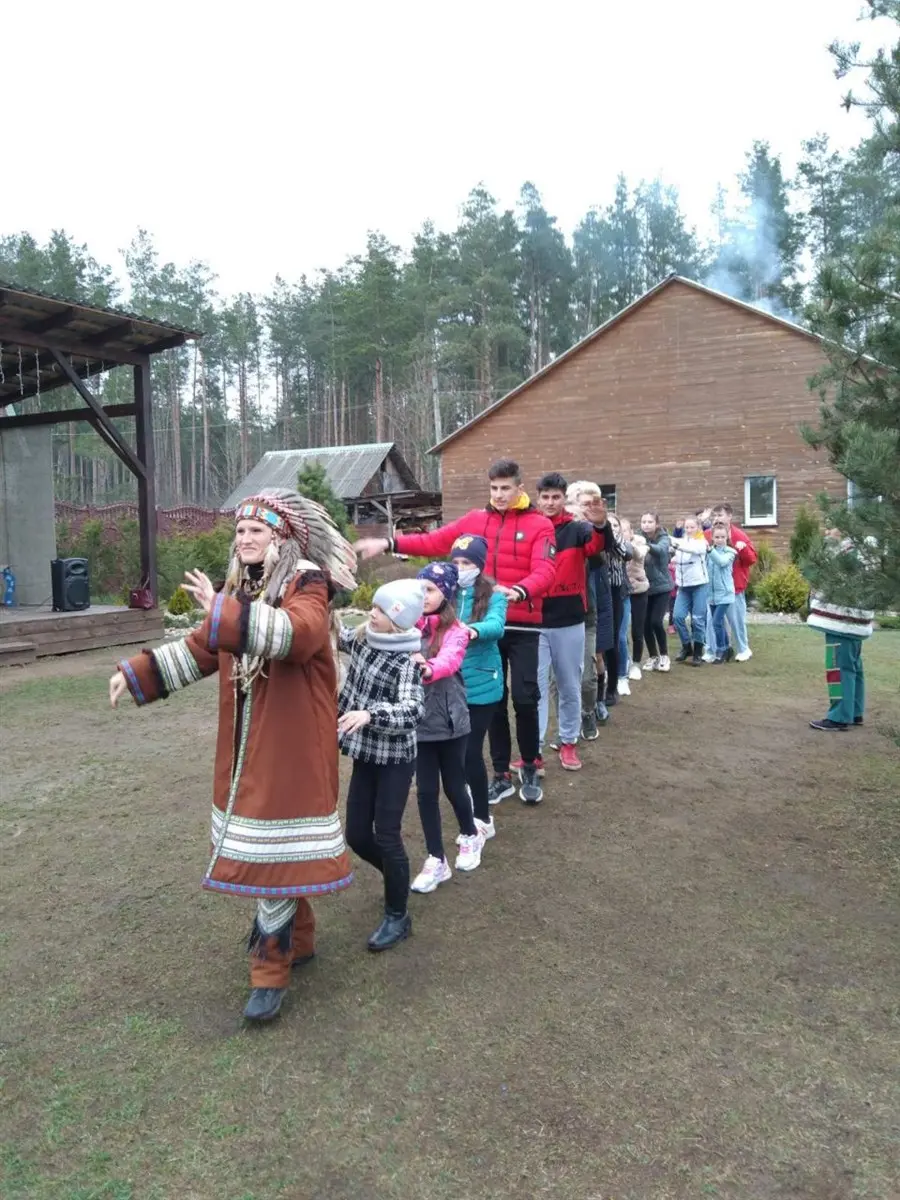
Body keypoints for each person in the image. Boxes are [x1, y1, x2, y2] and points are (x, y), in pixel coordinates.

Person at [109, 488, 359, 1023]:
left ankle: (270, 970)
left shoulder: (307, 581)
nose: (245, 538)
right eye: (240, 531)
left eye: (257, 531)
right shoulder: (243, 586)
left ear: (281, 538)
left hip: (293, 740)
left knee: (272, 849)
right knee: (274, 844)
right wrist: (139, 674)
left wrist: (225, 611)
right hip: (250, 741)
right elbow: (205, 646)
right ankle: (303, 937)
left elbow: (301, 633)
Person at [355, 458, 556, 806]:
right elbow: (434, 541)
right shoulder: (476, 521)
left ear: (519, 488)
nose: (499, 495)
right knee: (489, 702)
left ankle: (530, 764)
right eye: (494, 488)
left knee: (524, 697)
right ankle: (500, 774)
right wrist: (388, 544)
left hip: (520, 622)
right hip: (473, 624)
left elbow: (545, 569)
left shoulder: (539, 525)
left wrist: (519, 591)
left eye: (506, 488)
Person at [338, 579, 426, 951]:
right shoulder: (363, 639)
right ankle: (397, 878)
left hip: (395, 761)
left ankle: (397, 915)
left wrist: (370, 713)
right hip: (366, 754)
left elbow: (412, 710)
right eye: (372, 606)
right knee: (357, 835)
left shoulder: (406, 662)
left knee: (386, 834)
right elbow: (330, 634)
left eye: (379, 610)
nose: (371, 613)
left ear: (399, 620)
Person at [409, 562, 484, 893]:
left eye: (431, 589)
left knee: (454, 784)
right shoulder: (408, 625)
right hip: (419, 722)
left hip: (452, 721)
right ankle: (436, 859)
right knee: (425, 792)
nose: (423, 596)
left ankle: (470, 834)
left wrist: (427, 668)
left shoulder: (457, 630)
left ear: (446, 594)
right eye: (420, 589)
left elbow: (450, 660)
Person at [533, 472, 608, 771]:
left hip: (569, 621)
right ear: (538, 499)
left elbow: (598, 548)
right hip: (534, 621)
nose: (550, 502)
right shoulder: (529, 528)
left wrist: (600, 524)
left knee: (569, 686)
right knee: (534, 690)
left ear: (564, 499)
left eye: (556, 497)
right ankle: (533, 749)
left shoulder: (577, 530)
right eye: (546, 497)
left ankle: (568, 743)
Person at [449, 535, 507, 836]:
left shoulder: (493, 595)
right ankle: (470, 793)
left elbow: (497, 625)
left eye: (467, 563)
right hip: (449, 686)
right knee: (455, 753)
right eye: (456, 562)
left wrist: (471, 630)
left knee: (471, 751)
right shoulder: (446, 592)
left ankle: (483, 818)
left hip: (483, 685)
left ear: (479, 566)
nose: (460, 568)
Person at [806, 531, 875, 731]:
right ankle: (854, 710)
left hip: (842, 621)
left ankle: (839, 716)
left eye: (831, 526)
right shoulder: (867, 551)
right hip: (854, 621)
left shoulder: (850, 554)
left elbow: (833, 580)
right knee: (853, 666)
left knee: (838, 667)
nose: (827, 531)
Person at [565, 481, 609, 739]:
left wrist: (591, 528)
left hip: (585, 613)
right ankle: (567, 726)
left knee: (586, 675)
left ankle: (588, 711)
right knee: (559, 680)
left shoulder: (588, 537)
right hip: (554, 616)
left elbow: (598, 557)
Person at [704, 503, 757, 663]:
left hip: (733, 587)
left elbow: (751, 559)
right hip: (712, 588)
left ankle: (743, 648)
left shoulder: (739, 535)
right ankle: (712, 649)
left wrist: (743, 549)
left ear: (729, 517)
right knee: (711, 621)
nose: (717, 519)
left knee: (736, 620)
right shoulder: (707, 534)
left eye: (720, 515)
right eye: (714, 516)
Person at [671, 515, 710, 666]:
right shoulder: (681, 541)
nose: (689, 530)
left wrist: (675, 544)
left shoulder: (702, 542)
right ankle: (687, 646)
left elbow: (689, 548)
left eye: (692, 527)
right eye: (687, 527)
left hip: (699, 585)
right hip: (683, 586)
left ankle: (699, 651)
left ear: (698, 528)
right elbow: (672, 543)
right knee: (678, 617)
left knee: (698, 619)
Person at [605, 512, 633, 698]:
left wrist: (610, 536)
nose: (611, 528)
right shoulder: (595, 539)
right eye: (609, 525)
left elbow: (627, 554)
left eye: (615, 525)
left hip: (617, 594)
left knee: (617, 638)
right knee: (603, 642)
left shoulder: (622, 543)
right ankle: (606, 672)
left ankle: (620, 678)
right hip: (599, 594)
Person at [640, 512, 672, 672]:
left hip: (662, 587)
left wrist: (647, 546)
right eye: (643, 521)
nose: (646, 524)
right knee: (645, 623)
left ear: (656, 524)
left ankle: (665, 656)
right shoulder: (639, 538)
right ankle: (653, 656)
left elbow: (660, 550)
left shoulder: (664, 538)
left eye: (650, 521)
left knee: (655, 622)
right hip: (644, 588)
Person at [620, 517, 649, 683]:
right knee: (620, 632)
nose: (622, 533)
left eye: (625, 530)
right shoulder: (611, 545)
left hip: (638, 590)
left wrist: (628, 545)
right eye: (619, 529)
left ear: (631, 532)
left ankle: (636, 664)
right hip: (621, 592)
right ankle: (624, 661)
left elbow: (639, 553)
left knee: (637, 629)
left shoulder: (639, 543)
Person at [707, 523, 738, 664]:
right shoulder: (709, 552)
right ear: (712, 538)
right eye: (717, 537)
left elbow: (721, 562)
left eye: (722, 537)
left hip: (725, 594)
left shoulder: (730, 553)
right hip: (711, 595)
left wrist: (709, 551)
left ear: (727, 537)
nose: (719, 539)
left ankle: (721, 649)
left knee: (716, 622)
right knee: (717, 623)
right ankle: (727, 649)